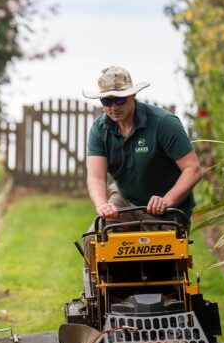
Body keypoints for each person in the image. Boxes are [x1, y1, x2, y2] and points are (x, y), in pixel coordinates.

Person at [84, 66, 202, 227]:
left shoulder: (163, 123)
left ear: (133, 95)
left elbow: (193, 169)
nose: (113, 107)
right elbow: (95, 177)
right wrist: (102, 205)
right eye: (107, 101)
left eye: (119, 99)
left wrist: (168, 199)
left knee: (160, 250)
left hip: (165, 210)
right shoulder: (99, 129)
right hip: (125, 200)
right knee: (95, 240)